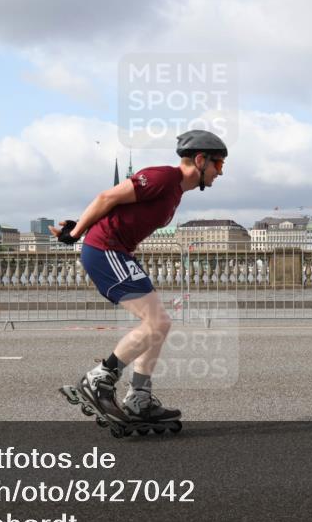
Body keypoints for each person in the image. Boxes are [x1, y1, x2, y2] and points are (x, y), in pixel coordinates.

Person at [51, 130, 228, 427]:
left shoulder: (176, 192)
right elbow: (107, 196)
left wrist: (80, 224)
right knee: (157, 323)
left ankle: (139, 398)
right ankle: (99, 379)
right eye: (219, 165)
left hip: (118, 251)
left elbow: (118, 209)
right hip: (105, 249)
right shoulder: (163, 178)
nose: (220, 173)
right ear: (200, 160)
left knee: (160, 324)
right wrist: (76, 232)